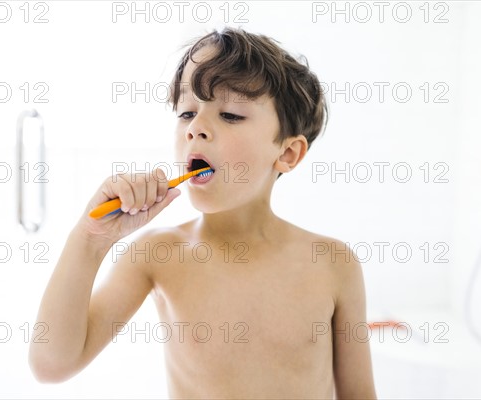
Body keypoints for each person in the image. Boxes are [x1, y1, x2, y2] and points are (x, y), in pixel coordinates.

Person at [29, 27, 377, 399]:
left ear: (288, 154)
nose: (196, 128)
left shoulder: (332, 262)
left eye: (229, 114)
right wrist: (90, 240)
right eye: (186, 113)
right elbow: (52, 364)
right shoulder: (157, 254)